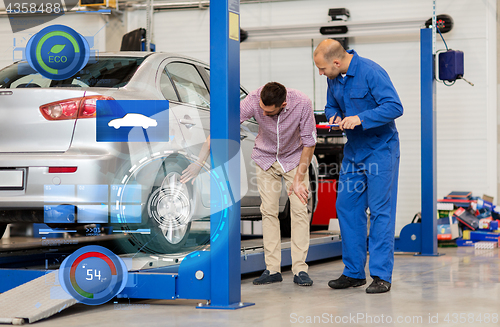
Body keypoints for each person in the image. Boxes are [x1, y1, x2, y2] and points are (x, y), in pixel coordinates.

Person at [181, 82, 317, 286]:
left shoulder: (302, 103)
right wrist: (199, 162)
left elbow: (309, 142)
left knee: (299, 211)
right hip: (265, 159)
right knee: (268, 212)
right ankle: (272, 269)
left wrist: (298, 180)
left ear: (284, 104)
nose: (262, 113)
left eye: (267, 112)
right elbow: (222, 126)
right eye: (260, 109)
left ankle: (300, 270)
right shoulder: (253, 100)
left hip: (294, 160)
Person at [313, 39, 403, 293]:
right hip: (354, 152)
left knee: (380, 210)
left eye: (322, 68)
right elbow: (331, 105)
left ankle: (381, 275)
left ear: (337, 62)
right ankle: (354, 272)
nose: (321, 74)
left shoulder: (372, 72)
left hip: (380, 150)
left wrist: (361, 118)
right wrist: (334, 116)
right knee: (347, 205)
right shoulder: (334, 78)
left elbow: (395, 106)